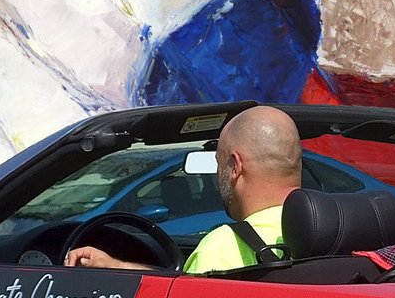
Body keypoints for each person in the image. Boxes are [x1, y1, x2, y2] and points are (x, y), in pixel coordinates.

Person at [65, 105, 302, 273]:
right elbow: (185, 284)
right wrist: (118, 267)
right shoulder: (335, 234)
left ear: (235, 167)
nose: (218, 175)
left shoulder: (223, 250)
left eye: (219, 163)